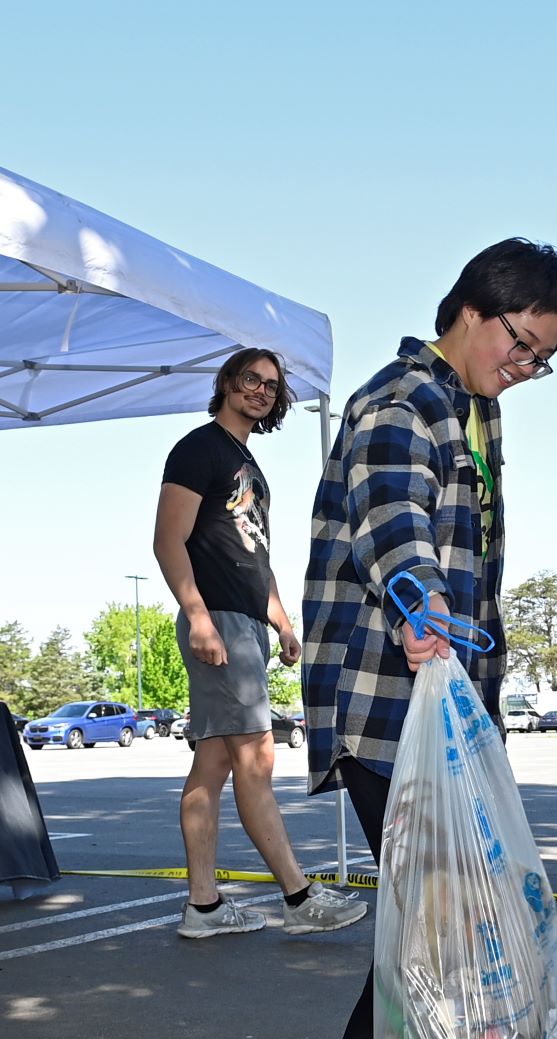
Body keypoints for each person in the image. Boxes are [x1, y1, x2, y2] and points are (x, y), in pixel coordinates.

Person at [301, 238, 557, 1039]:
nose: (527, 366)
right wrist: (418, 607)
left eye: (543, 359)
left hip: (444, 694)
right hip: (383, 697)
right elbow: (392, 520)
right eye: (523, 343)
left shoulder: (473, 409)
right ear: (473, 308)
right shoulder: (402, 401)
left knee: (435, 891)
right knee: (444, 889)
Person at [154, 348, 366, 941]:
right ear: (226, 382)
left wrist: (281, 622)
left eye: (271, 386)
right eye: (251, 379)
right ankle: (299, 898)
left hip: (245, 624)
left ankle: (203, 907)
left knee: (215, 763)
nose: (261, 391)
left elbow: (254, 553)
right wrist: (198, 618)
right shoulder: (199, 449)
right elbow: (168, 541)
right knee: (257, 760)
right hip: (217, 621)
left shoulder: (247, 464)